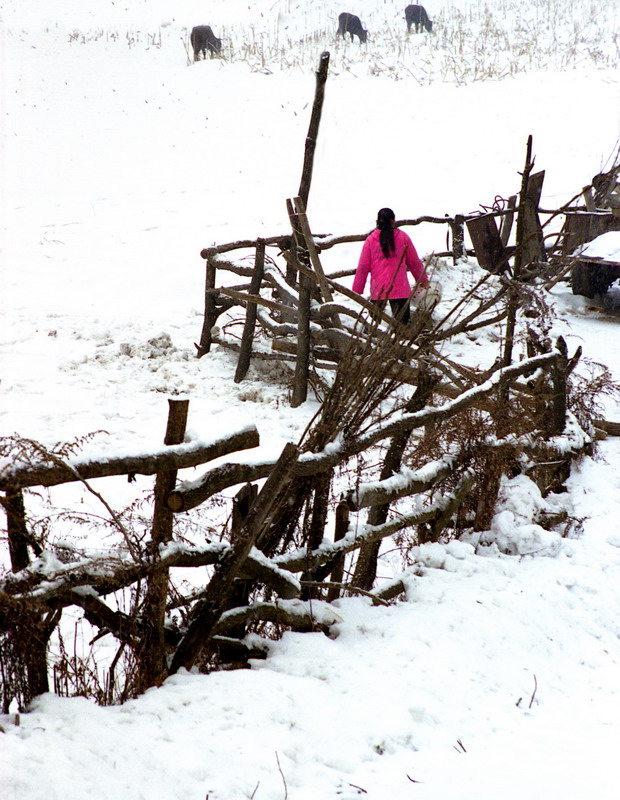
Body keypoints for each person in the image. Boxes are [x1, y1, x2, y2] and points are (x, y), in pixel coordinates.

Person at [352, 207, 430, 325]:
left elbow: (363, 267)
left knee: (375, 326)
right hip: (399, 287)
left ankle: (375, 341)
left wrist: (357, 290)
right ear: (393, 221)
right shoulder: (403, 237)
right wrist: (423, 279)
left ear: (377, 221)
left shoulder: (370, 240)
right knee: (402, 326)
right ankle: (401, 341)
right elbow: (414, 262)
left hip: (379, 289)